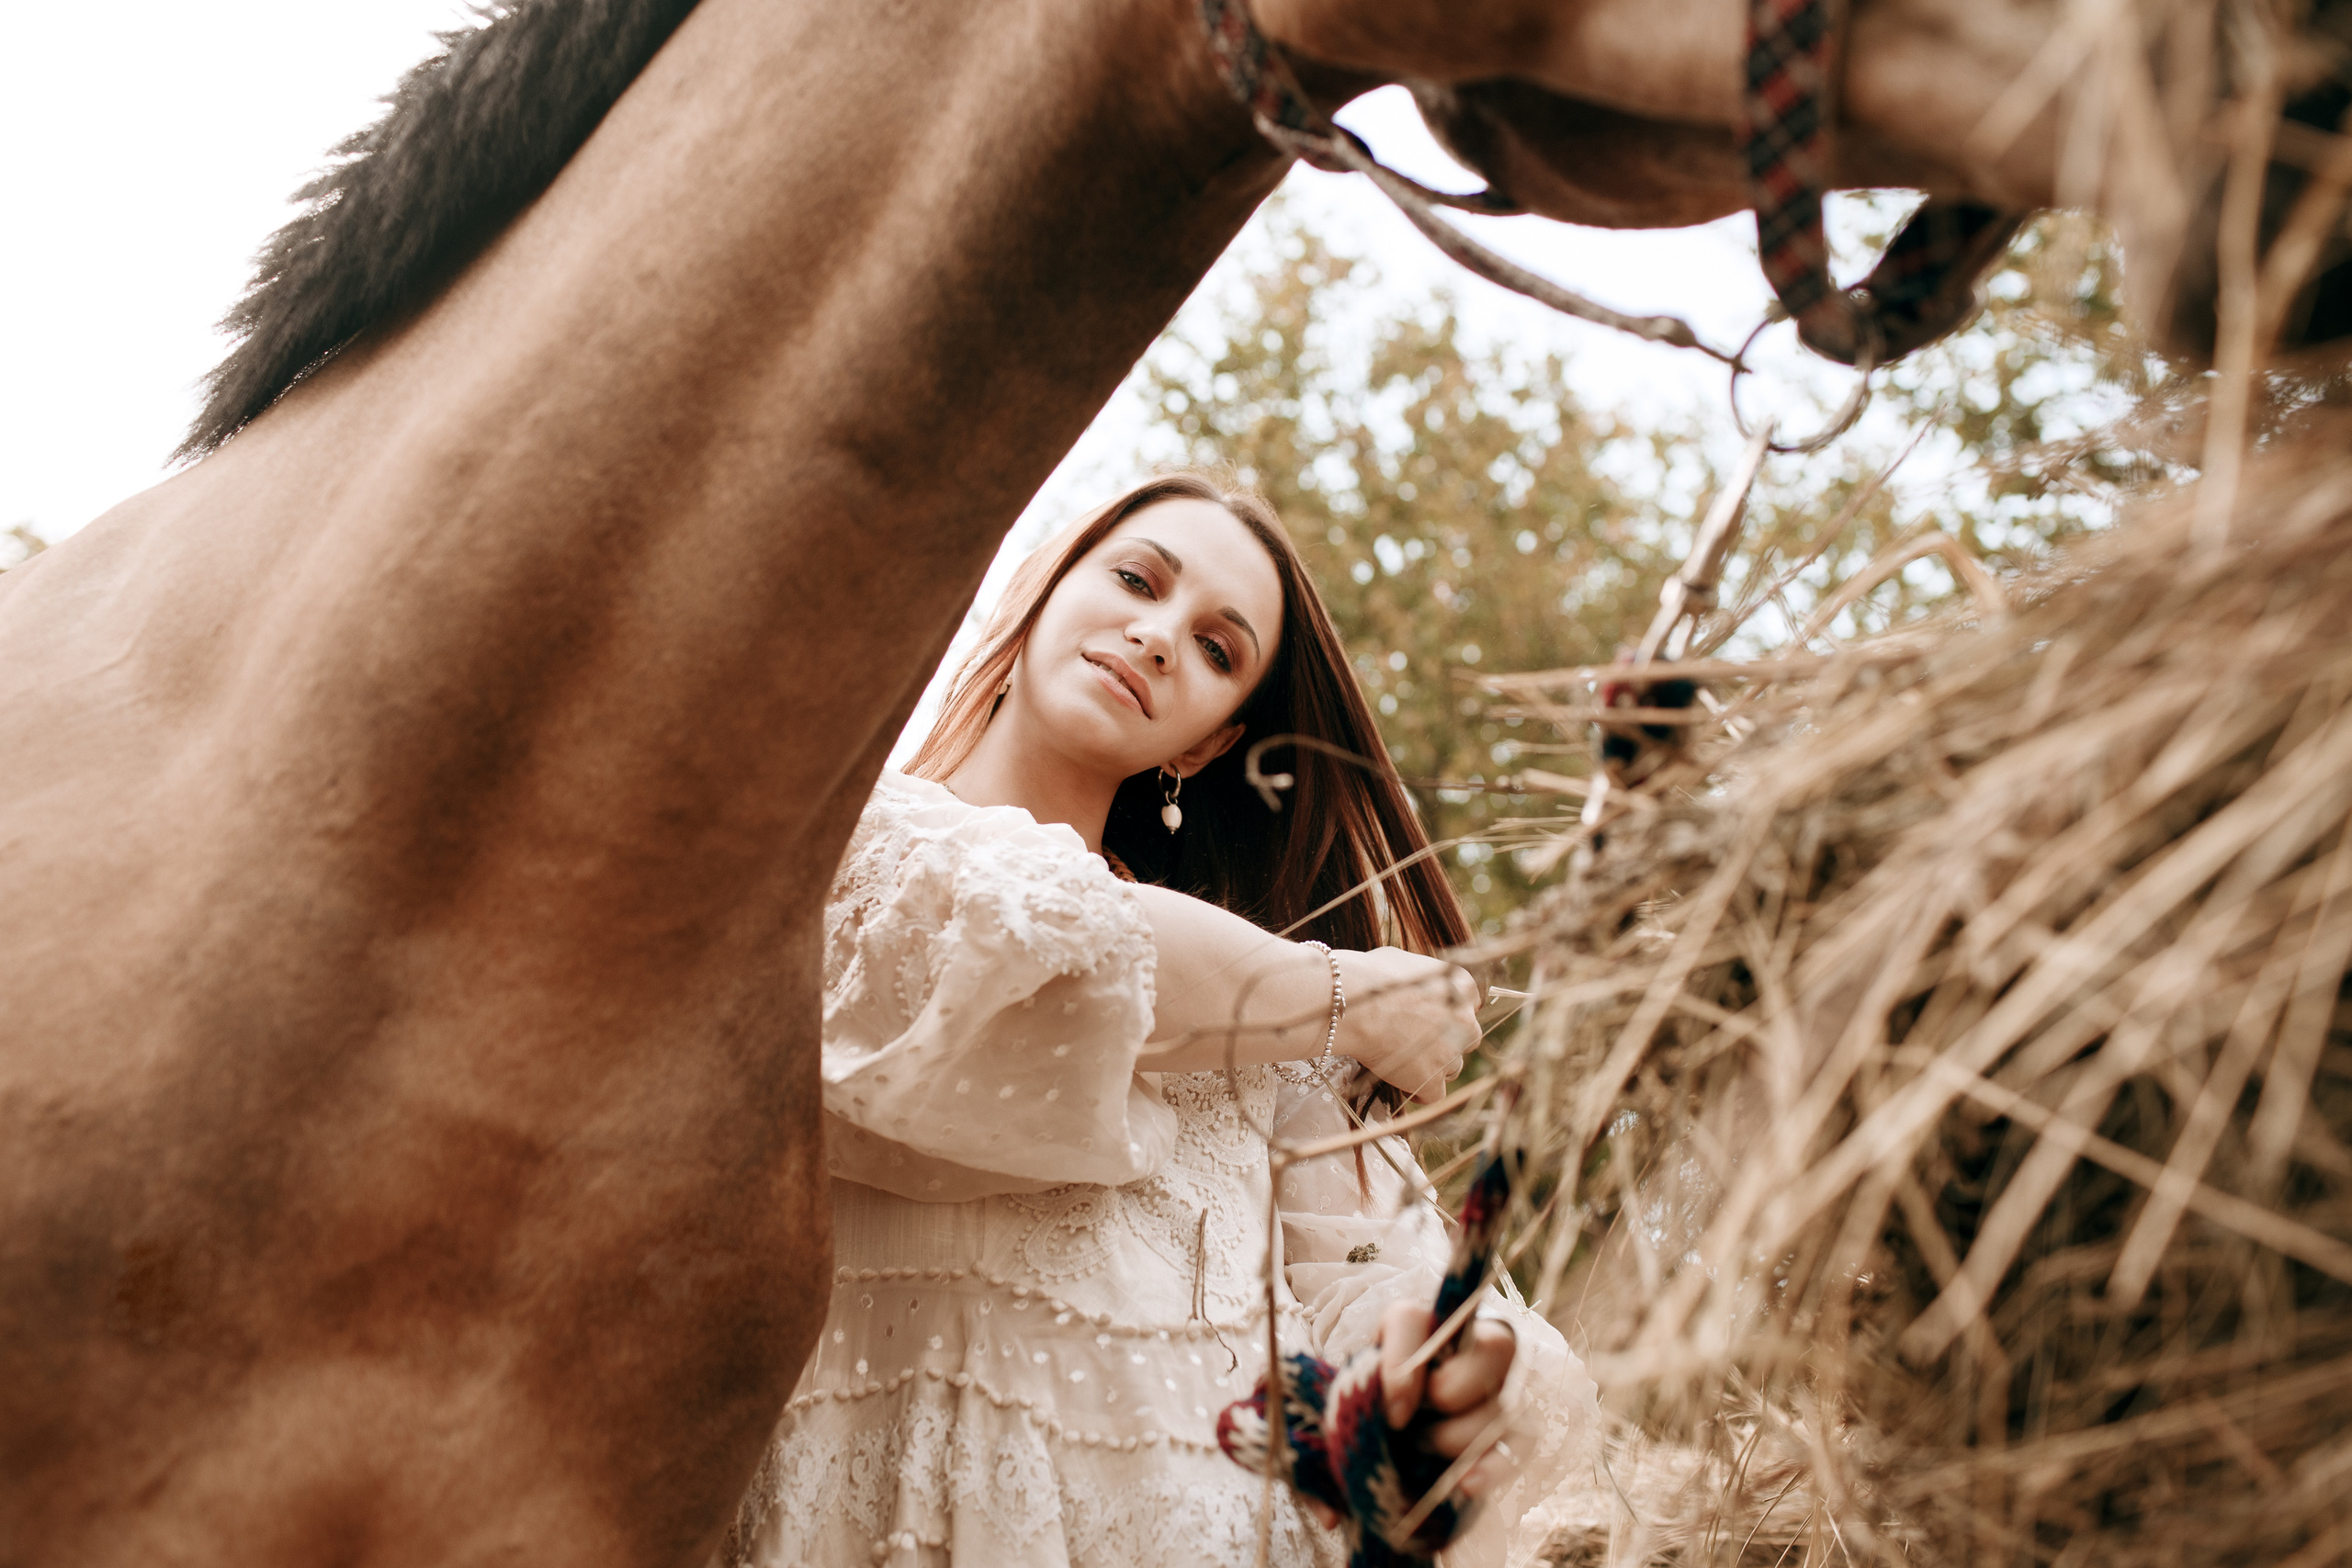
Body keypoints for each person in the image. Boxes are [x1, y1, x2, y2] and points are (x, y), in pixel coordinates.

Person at [724, 474, 1594, 1567]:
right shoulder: (841, 850)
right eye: (1136, 579)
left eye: (1219, 649)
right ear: (1042, 589)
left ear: (1206, 747)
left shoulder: (1260, 1032)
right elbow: (1041, 944)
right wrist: (1349, 995)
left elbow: (1354, 1287)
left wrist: (1425, 1370)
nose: (1158, 635)